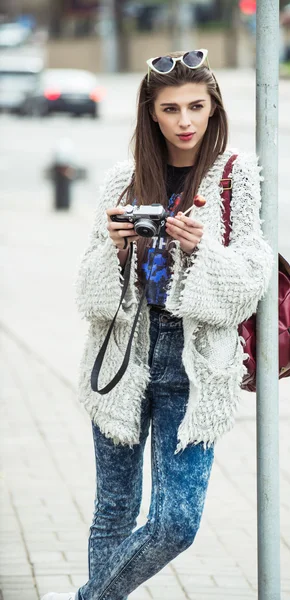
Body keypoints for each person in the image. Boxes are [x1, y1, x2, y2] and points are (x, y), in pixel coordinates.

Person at [41, 49, 274, 600]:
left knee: (176, 521)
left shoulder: (232, 176)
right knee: (115, 509)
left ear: (215, 108)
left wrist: (203, 250)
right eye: (171, 109)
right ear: (151, 112)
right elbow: (88, 293)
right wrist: (118, 254)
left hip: (193, 363)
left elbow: (251, 277)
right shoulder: (125, 179)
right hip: (124, 353)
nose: (186, 121)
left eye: (197, 106)